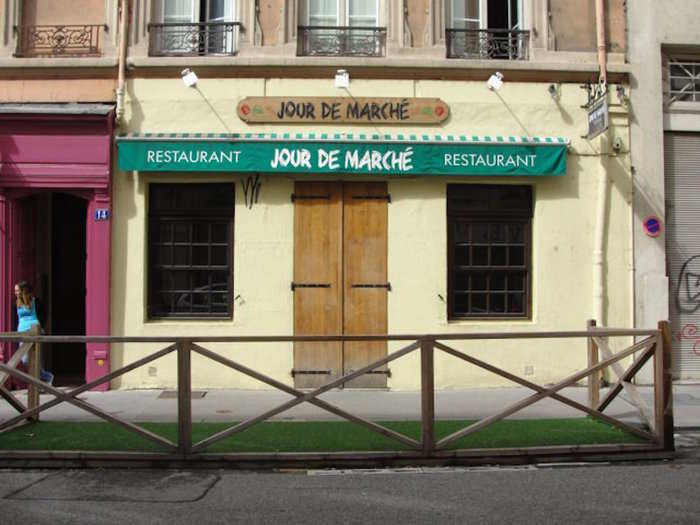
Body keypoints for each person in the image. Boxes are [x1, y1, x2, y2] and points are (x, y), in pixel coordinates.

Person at [14, 280, 53, 385]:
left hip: (34, 331)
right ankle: (46, 376)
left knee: (35, 358)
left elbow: (44, 314)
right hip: (22, 332)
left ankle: (39, 383)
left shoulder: (35, 301)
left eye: (17, 290)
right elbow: (16, 318)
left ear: (23, 290)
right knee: (24, 359)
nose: (15, 293)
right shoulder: (17, 302)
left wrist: (42, 327)